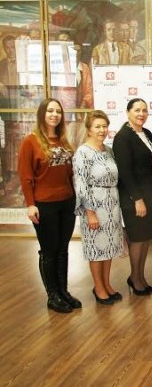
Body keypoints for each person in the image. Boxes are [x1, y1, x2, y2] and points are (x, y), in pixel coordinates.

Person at [19, 98, 80, 313]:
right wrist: (30, 204)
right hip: (44, 205)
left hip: (67, 202)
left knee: (63, 249)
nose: (54, 115)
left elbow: (69, 174)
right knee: (49, 251)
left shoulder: (63, 141)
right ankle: (52, 295)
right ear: (42, 114)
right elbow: (26, 176)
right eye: (50, 111)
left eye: (58, 112)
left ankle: (63, 291)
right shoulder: (31, 141)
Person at [73, 110, 124, 304]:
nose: (102, 130)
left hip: (112, 204)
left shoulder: (108, 150)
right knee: (96, 248)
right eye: (97, 127)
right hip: (94, 205)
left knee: (109, 246)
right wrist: (90, 213)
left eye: (104, 126)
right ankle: (98, 287)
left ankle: (106, 283)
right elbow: (81, 184)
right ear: (89, 130)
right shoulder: (83, 152)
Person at [113, 98, 152, 296]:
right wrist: (138, 199)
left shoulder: (146, 133)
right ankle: (135, 279)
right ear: (128, 112)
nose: (141, 114)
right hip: (134, 198)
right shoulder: (123, 137)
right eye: (137, 110)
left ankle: (140, 277)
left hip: (150, 194)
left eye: (144, 110)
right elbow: (125, 172)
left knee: (146, 237)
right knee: (138, 238)